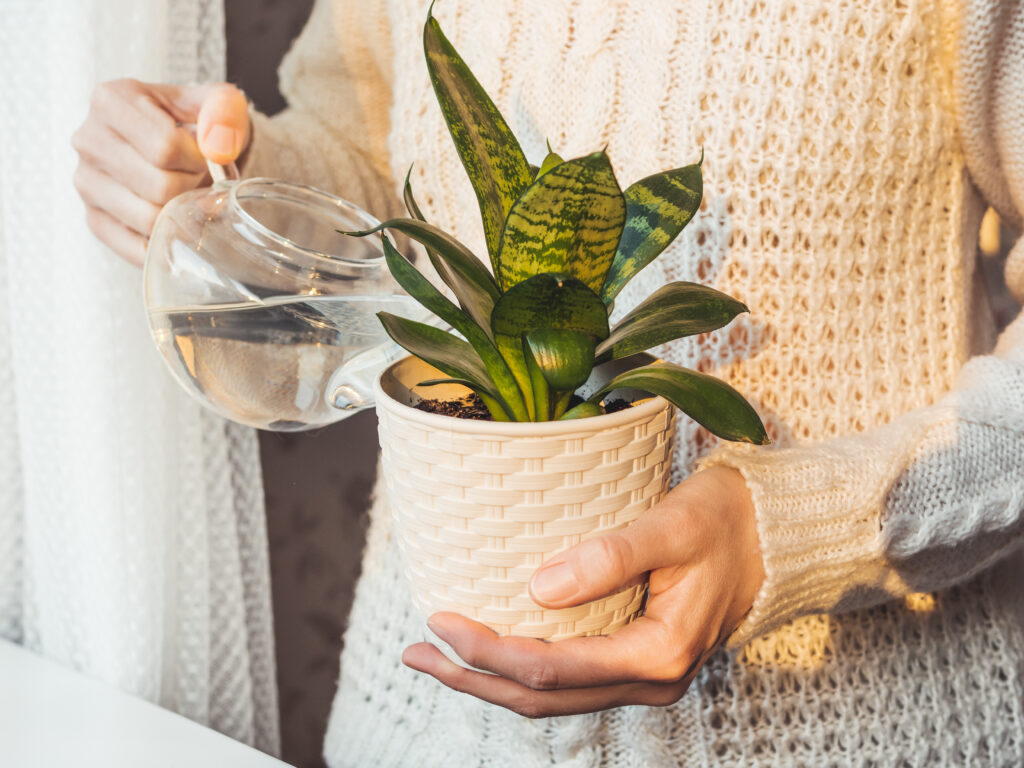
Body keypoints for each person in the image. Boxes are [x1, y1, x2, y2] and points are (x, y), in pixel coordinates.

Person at [72, 0, 1024, 765]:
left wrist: (801, 527)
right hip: (423, 726)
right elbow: (369, 165)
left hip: (858, 725)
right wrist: (215, 182)